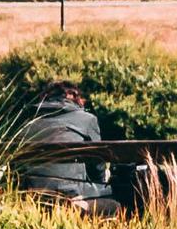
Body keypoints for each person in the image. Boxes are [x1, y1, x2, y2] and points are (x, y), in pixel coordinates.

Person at [14, 77, 110, 209]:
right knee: (114, 198)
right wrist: (100, 185)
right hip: (72, 193)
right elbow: (97, 164)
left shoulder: (27, 122)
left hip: (33, 193)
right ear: (76, 98)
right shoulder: (87, 120)